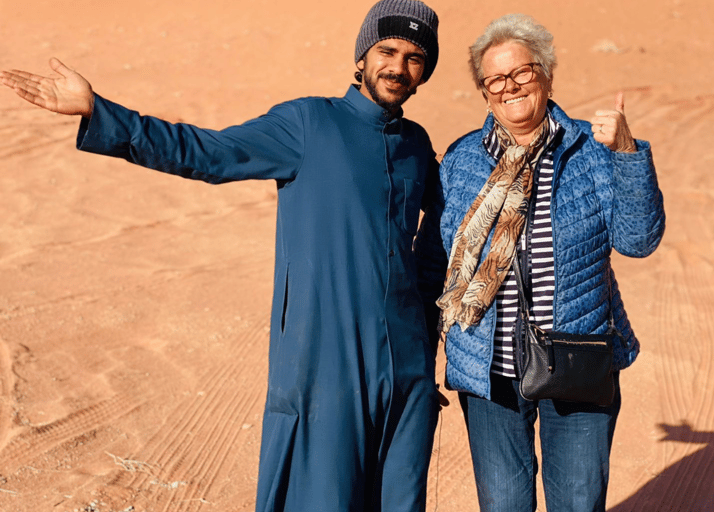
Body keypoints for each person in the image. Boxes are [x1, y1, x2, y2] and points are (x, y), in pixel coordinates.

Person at [1, 1, 443, 511]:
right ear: (362, 58)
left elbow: (441, 241)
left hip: (407, 368)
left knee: (401, 502)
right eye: (387, 50)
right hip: (328, 360)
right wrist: (102, 113)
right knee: (325, 498)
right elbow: (209, 153)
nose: (398, 66)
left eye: (415, 57)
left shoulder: (416, 145)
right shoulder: (308, 123)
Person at [414, 13, 665, 512]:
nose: (510, 87)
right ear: (484, 92)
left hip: (577, 363)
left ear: (546, 72)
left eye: (522, 72)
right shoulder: (462, 159)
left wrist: (628, 154)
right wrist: (420, 364)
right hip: (489, 375)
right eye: (495, 80)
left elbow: (638, 241)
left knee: (577, 502)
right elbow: (431, 268)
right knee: (504, 504)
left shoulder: (591, 152)